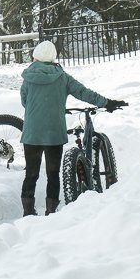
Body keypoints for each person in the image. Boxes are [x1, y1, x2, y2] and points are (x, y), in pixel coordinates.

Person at [20, 39, 125, 217]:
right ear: (53, 58)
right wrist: (107, 102)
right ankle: (51, 211)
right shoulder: (63, 77)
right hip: (53, 133)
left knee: (31, 173)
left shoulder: (28, 78)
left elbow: (25, 102)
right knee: (53, 173)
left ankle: (28, 212)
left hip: (32, 134)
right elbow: (84, 93)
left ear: (36, 57)